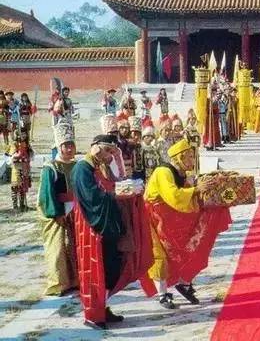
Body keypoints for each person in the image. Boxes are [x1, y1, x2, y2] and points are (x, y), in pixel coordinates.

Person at [143, 139, 230, 308]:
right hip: (154, 219)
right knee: (160, 255)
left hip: (171, 218)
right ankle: (162, 294)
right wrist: (197, 189)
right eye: (189, 157)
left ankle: (184, 282)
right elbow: (174, 196)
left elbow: (189, 196)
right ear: (179, 158)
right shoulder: (163, 172)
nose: (192, 160)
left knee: (192, 243)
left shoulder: (183, 173)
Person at [71, 135, 126, 329]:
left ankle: (103, 307)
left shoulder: (97, 168)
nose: (109, 155)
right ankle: (93, 315)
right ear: (95, 148)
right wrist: (114, 196)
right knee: (95, 269)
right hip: (91, 225)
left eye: (111, 151)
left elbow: (116, 182)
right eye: (107, 150)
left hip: (104, 221)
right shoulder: (82, 169)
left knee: (110, 267)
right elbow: (92, 198)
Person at [37, 119, 79, 296]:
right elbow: (46, 194)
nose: (69, 149)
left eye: (71, 145)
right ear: (59, 147)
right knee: (58, 248)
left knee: (75, 246)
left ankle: (76, 280)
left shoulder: (77, 165)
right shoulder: (51, 167)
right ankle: (59, 283)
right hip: (58, 213)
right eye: (66, 145)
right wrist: (57, 213)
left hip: (75, 211)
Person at [10, 131, 34, 211]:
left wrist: (28, 154)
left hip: (25, 168)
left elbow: (31, 155)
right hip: (17, 168)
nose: (24, 135)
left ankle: (22, 205)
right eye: (22, 134)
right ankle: (15, 206)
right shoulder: (15, 144)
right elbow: (11, 156)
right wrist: (18, 155)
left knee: (23, 187)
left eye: (25, 133)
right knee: (15, 187)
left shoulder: (27, 144)